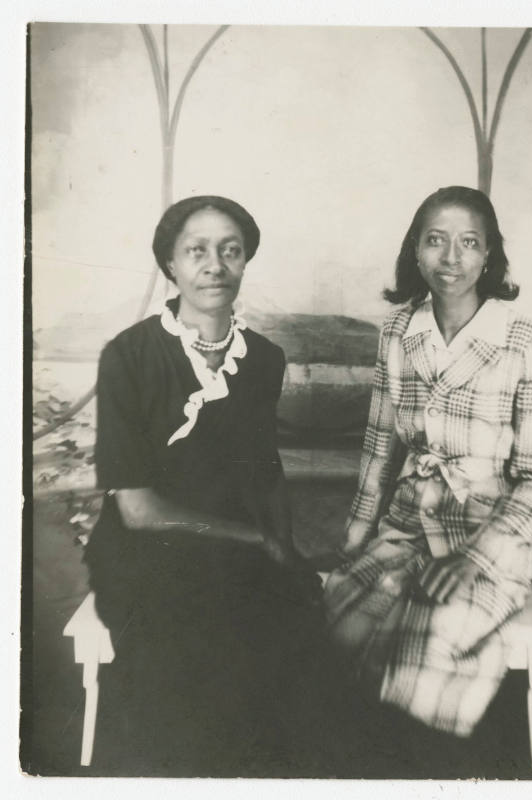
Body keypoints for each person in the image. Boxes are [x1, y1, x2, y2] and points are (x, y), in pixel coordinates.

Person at [84, 195, 344, 776]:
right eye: (196, 251)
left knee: (296, 637)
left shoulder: (264, 359)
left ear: (246, 260)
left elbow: (265, 469)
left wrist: (284, 548)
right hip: (147, 553)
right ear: (170, 265)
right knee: (197, 642)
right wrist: (256, 541)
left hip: (238, 547)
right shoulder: (128, 355)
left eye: (230, 250)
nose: (215, 265)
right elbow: (138, 511)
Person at [324, 186, 532, 741]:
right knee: (340, 616)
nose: (450, 258)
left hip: (486, 538)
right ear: (414, 250)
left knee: (427, 641)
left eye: (469, 243)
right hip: (406, 526)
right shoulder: (397, 332)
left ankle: (418, 765)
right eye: (435, 241)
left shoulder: (528, 341)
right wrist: (356, 536)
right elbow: (380, 444)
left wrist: (476, 559)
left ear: (488, 256)